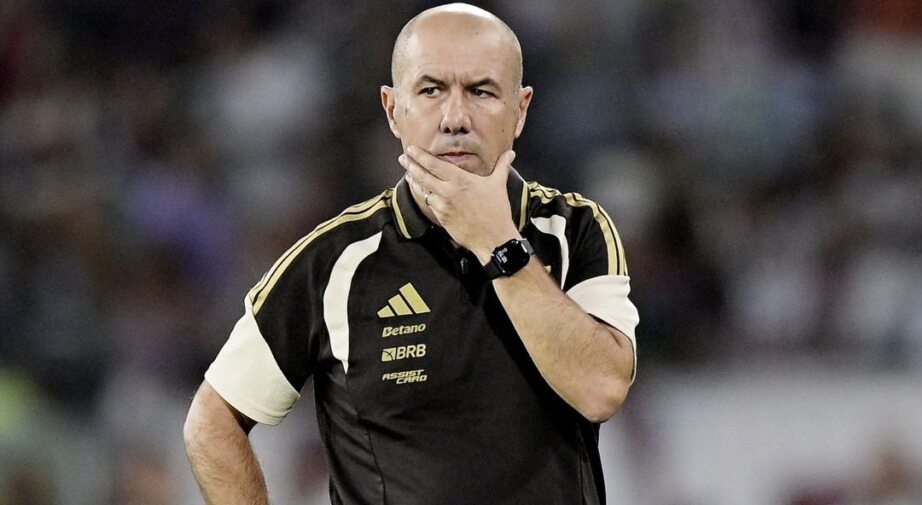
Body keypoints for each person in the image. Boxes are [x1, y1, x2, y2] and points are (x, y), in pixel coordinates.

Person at [183, 3, 639, 504]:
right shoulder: (335, 262)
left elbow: (601, 390)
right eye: (430, 90)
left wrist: (497, 242)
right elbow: (213, 419)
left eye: (481, 91)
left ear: (521, 110)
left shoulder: (574, 231)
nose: (455, 119)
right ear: (392, 110)